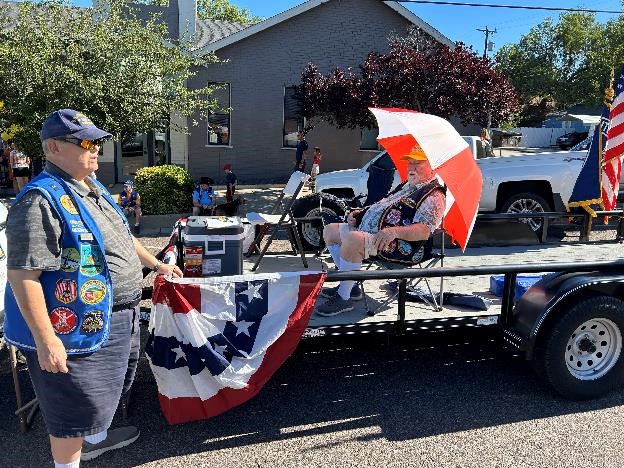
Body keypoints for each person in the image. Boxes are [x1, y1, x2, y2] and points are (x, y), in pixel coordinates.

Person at [3, 108, 183, 468]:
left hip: (117, 316)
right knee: (70, 412)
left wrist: (159, 265)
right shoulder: (39, 200)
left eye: (98, 141)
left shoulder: (91, 187)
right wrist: (46, 340)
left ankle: (97, 440)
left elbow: (123, 237)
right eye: (85, 141)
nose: (96, 148)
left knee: (105, 394)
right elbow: (23, 276)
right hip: (75, 327)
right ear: (53, 147)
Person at [316, 144, 446, 316]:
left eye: (418, 164)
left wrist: (393, 232)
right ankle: (351, 285)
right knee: (330, 230)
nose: (411, 168)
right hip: (377, 235)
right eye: (410, 163)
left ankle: (344, 297)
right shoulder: (408, 185)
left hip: (400, 246)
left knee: (353, 239)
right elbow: (382, 204)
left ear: (433, 168)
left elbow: (424, 231)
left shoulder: (434, 196)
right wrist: (360, 214)